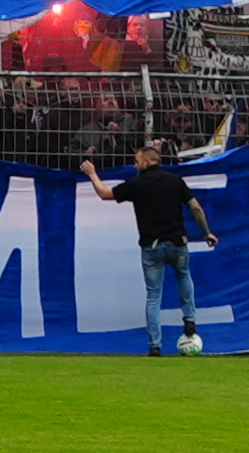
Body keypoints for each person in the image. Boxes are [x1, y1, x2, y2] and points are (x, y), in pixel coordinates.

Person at [82, 143, 219, 355]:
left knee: (154, 296)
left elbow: (104, 193)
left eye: (137, 162)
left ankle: (155, 345)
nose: (135, 166)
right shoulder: (174, 180)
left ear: (146, 162)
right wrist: (206, 232)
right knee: (184, 276)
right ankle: (190, 319)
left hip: (152, 247)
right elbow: (195, 207)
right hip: (177, 242)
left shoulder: (137, 184)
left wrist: (92, 174)